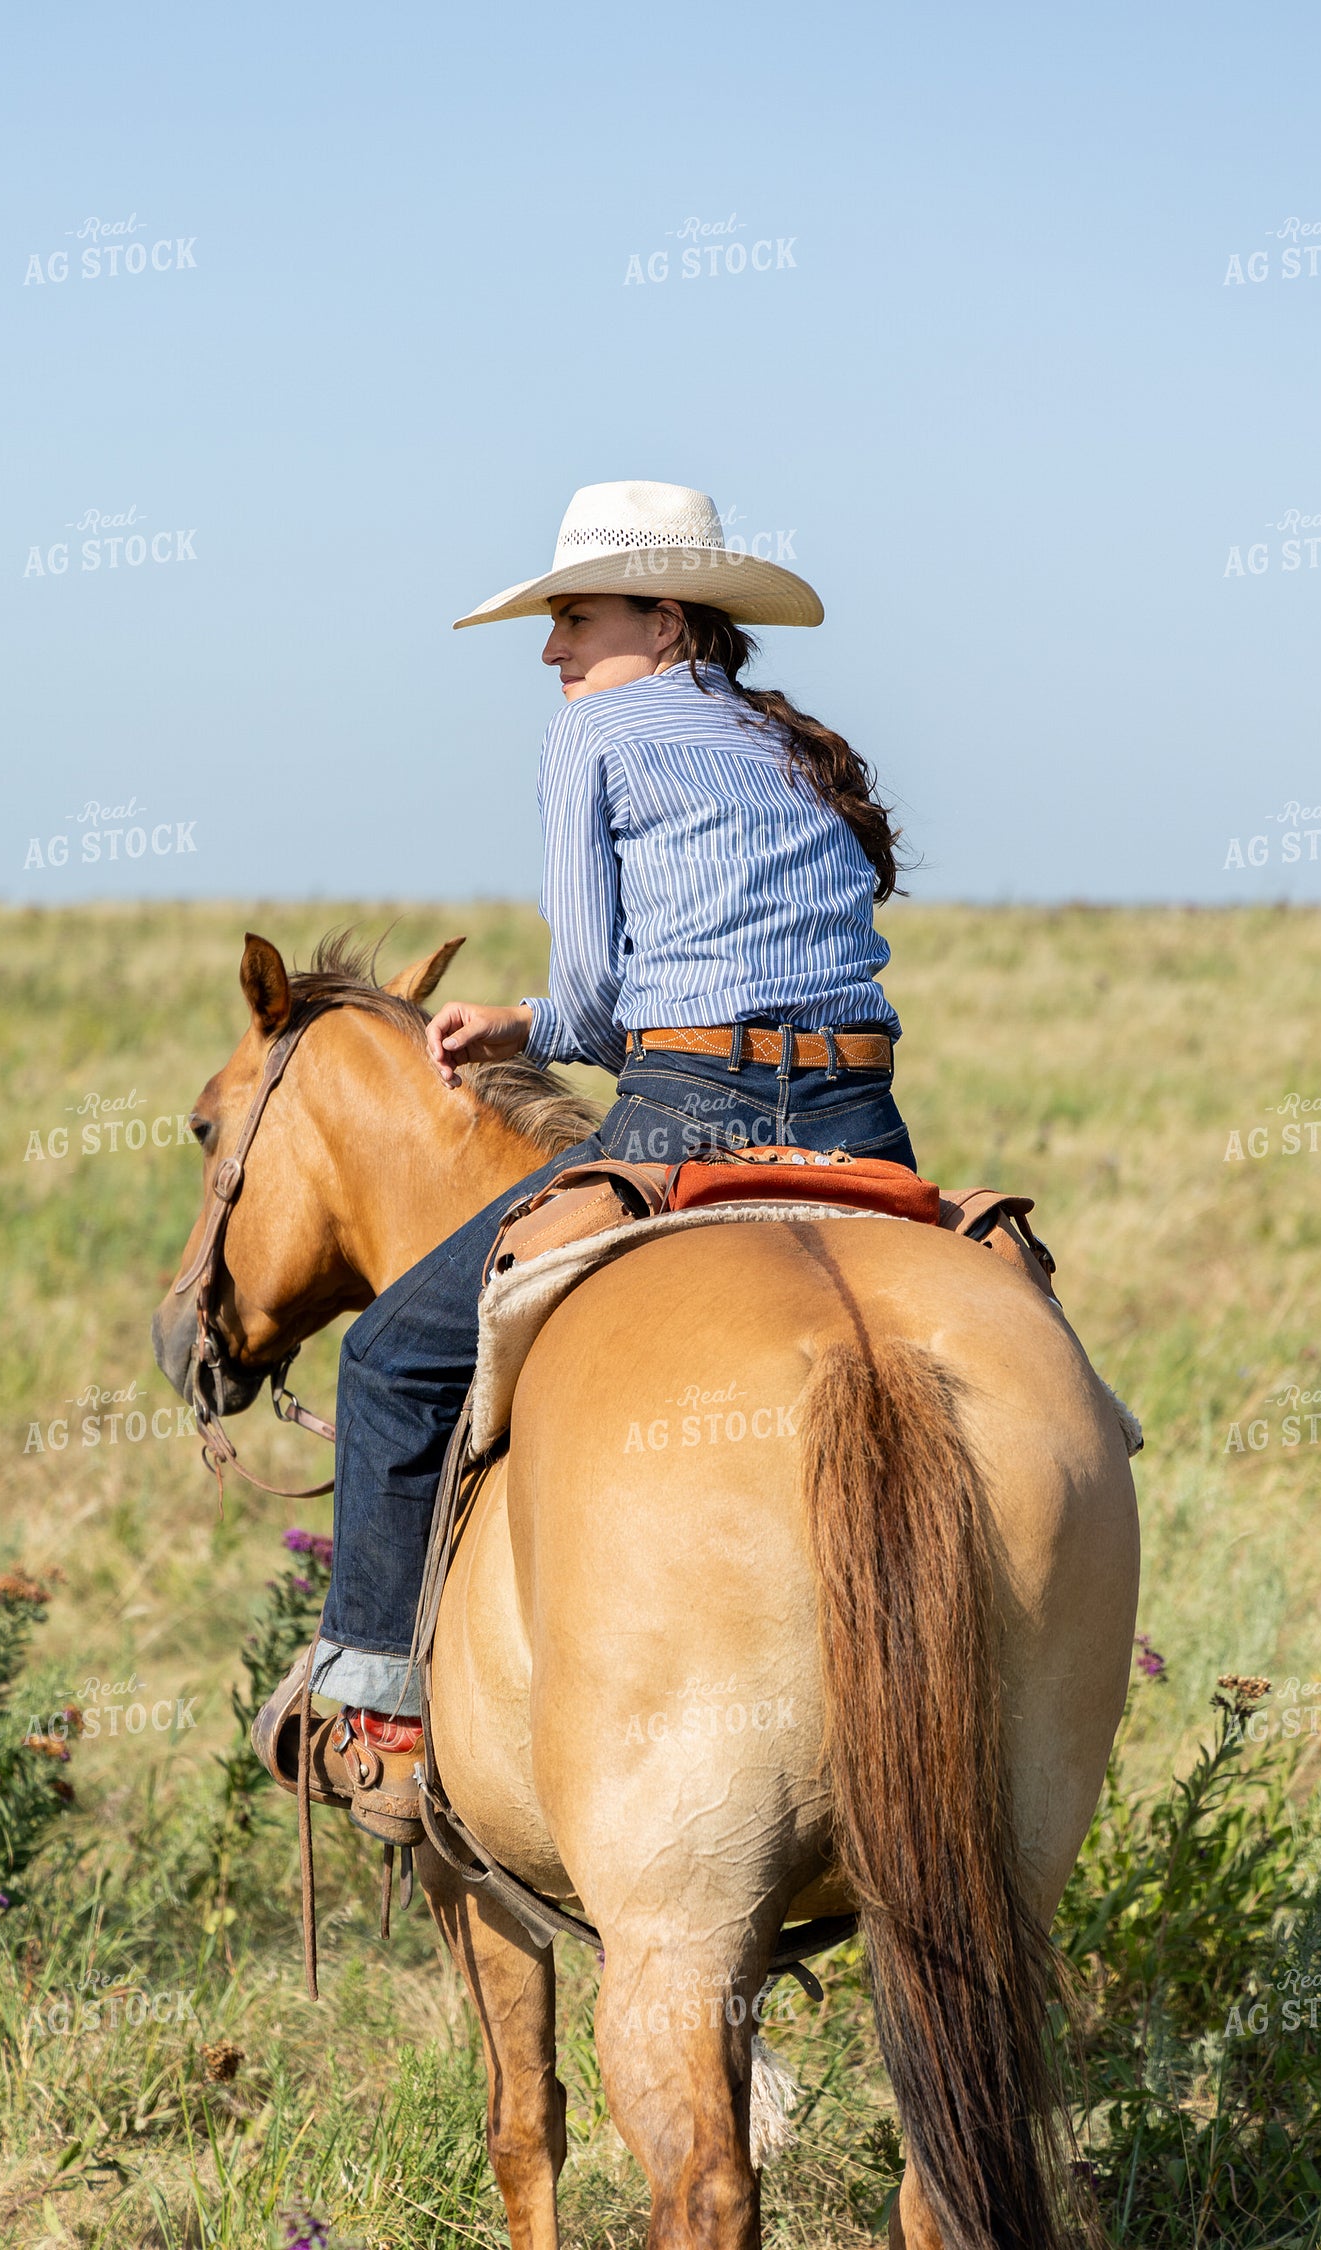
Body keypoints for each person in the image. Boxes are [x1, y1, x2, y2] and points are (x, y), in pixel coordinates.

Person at [253, 480, 917, 1841]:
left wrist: (537, 1020)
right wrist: (522, 1023)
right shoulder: (790, 744)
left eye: (574, 617)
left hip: (691, 1109)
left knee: (392, 1353)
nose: (552, 653)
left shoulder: (591, 736)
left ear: (663, 619)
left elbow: (604, 999)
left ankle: (377, 1709)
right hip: (860, 1112)